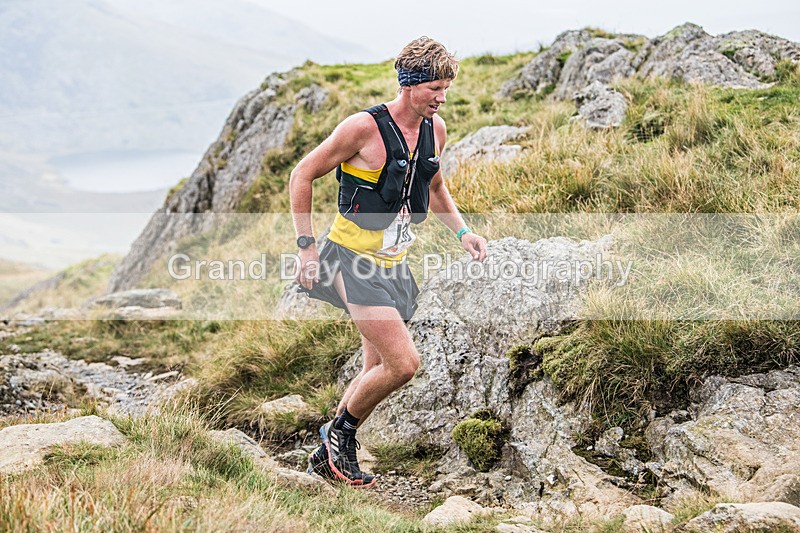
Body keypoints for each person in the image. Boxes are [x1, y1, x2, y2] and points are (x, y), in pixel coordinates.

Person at [289, 36, 487, 488]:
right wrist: (306, 247)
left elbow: (434, 189)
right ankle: (339, 437)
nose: (442, 98)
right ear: (409, 85)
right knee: (402, 365)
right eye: (434, 88)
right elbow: (302, 173)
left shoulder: (434, 130)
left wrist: (463, 232)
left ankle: (326, 458)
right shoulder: (362, 128)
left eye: (446, 89)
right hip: (350, 262)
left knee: (371, 370)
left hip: (394, 265)